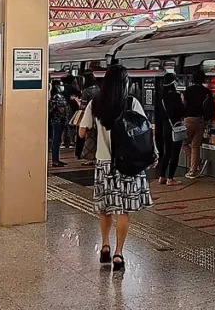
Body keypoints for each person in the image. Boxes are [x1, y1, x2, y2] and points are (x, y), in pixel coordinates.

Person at [77, 64, 153, 271]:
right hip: (127, 164)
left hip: (103, 164)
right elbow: (144, 130)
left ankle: (105, 246)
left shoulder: (95, 103)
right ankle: (118, 254)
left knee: (105, 209)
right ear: (125, 82)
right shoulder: (132, 102)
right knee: (123, 211)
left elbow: (82, 132)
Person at [181, 69, 215, 179]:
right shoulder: (207, 92)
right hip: (200, 121)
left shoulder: (188, 91)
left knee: (182, 142)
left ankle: (196, 161)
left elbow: (182, 105)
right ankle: (193, 171)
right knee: (196, 146)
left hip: (188, 120)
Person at [155, 71, 186, 185]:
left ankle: (161, 176)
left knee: (167, 152)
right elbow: (182, 111)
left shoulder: (161, 96)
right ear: (173, 83)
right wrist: (182, 101)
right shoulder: (176, 95)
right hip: (176, 126)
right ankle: (171, 178)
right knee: (175, 153)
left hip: (165, 126)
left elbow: (159, 113)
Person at [75, 72, 100, 161]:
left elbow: (83, 106)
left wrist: (76, 100)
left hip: (87, 115)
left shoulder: (86, 91)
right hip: (98, 116)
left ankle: (81, 154)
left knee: (82, 135)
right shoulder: (98, 89)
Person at [49, 82, 70, 167]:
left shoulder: (57, 95)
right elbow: (61, 108)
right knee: (56, 140)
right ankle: (55, 161)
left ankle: (56, 159)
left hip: (59, 120)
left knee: (57, 141)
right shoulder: (57, 96)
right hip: (58, 120)